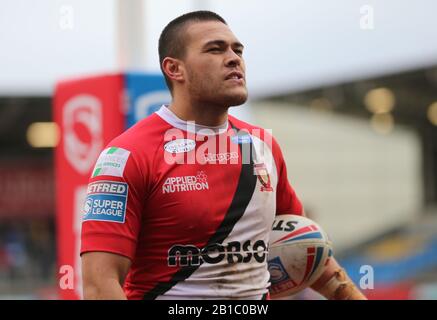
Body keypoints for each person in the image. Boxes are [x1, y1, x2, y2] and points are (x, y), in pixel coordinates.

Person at [81, 10, 366, 300]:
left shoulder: (262, 145)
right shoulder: (127, 155)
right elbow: (99, 285)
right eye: (215, 49)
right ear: (174, 69)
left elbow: (306, 246)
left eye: (237, 49)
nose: (234, 58)